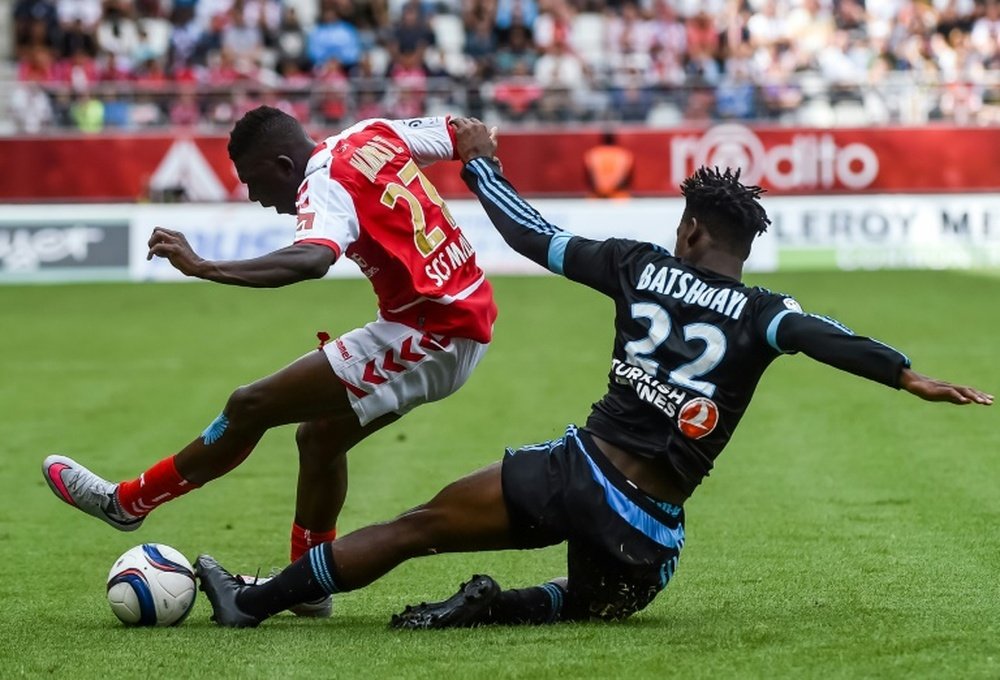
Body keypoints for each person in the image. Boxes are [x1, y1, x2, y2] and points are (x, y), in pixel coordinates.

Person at [194, 119, 992, 629]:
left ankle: (254, 601)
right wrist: (908, 375)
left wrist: (480, 171)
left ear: (687, 230)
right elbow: (827, 339)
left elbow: (533, 237)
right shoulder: (765, 313)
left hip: (577, 477)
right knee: (588, 602)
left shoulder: (639, 267)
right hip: (652, 539)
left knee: (414, 530)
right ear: (742, 253)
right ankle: (499, 607)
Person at [42, 108, 497, 618]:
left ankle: (127, 503)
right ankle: (309, 583)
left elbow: (312, 259)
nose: (256, 198)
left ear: (284, 165)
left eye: (254, 183)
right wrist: (479, 157)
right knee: (320, 436)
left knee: (250, 403)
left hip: (434, 333)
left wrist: (203, 266)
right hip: (454, 310)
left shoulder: (322, 184)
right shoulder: (373, 132)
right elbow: (466, 131)